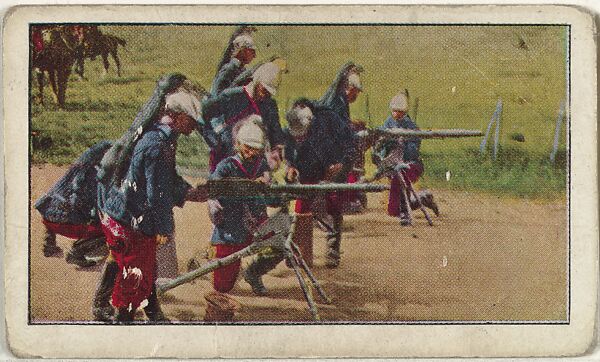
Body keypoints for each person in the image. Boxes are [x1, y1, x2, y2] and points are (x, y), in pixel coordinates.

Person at [96, 78, 207, 323]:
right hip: (133, 218)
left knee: (140, 266)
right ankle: (123, 319)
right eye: (191, 120)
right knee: (138, 270)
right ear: (177, 116)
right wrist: (164, 229)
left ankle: (147, 311)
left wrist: (188, 191)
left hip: (122, 211)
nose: (194, 127)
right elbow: (156, 194)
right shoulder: (158, 145)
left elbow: (165, 180)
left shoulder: (161, 137)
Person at [204, 116, 276, 321]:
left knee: (278, 244)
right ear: (238, 145)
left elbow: (272, 194)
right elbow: (213, 192)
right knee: (223, 285)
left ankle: (254, 272)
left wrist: (269, 183)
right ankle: (210, 258)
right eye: (248, 148)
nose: (252, 153)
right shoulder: (226, 167)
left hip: (256, 222)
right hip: (231, 227)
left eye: (256, 149)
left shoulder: (262, 165)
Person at [34, 140, 112, 267]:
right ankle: (76, 251)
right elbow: (96, 213)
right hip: (67, 223)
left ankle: (49, 242)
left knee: (59, 201)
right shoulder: (96, 177)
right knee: (109, 227)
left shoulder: (78, 166)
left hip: (47, 215)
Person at [199, 61, 286, 172]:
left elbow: (276, 133)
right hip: (225, 158)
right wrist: (214, 139)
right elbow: (203, 113)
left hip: (254, 162)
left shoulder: (269, 105)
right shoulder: (232, 96)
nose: (265, 96)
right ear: (257, 82)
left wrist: (277, 151)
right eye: (264, 90)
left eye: (269, 93)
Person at [378, 90, 439, 225]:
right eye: (394, 110)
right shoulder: (388, 123)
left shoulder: (411, 127)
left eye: (399, 111)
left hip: (410, 164)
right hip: (393, 164)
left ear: (404, 112)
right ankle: (422, 198)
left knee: (401, 178)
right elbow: (381, 145)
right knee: (392, 210)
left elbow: (413, 152)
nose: (396, 114)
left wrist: (402, 143)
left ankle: (405, 212)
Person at [210, 26, 257, 97]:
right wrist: (243, 89)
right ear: (243, 50)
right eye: (252, 51)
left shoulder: (242, 70)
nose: (254, 56)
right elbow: (217, 96)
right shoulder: (229, 68)